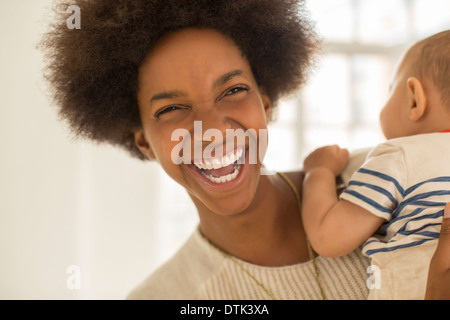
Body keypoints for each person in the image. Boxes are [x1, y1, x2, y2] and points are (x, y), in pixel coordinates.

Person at [40, 0, 450, 300]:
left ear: (265, 103)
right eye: (171, 108)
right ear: (143, 140)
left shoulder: (398, 173)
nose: (212, 129)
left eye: (233, 90)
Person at [301, 30, 450, 299]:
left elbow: (329, 237)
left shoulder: (400, 156)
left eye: (390, 90)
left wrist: (319, 171)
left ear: (414, 98)